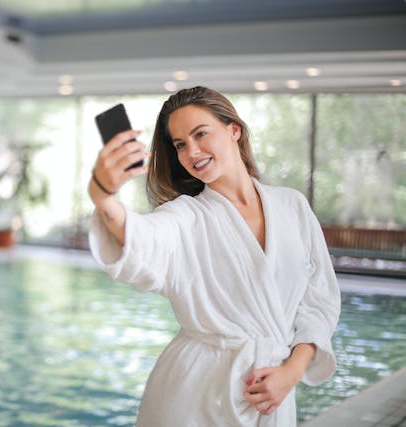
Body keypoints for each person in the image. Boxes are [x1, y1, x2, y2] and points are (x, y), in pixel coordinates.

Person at [88, 86, 340, 426]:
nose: (191, 151)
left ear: (233, 130)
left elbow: (319, 300)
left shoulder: (292, 205)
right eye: (179, 144)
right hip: (196, 392)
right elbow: (142, 239)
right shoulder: (186, 216)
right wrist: (103, 194)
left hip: (274, 388)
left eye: (200, 134)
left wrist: (291, 372)